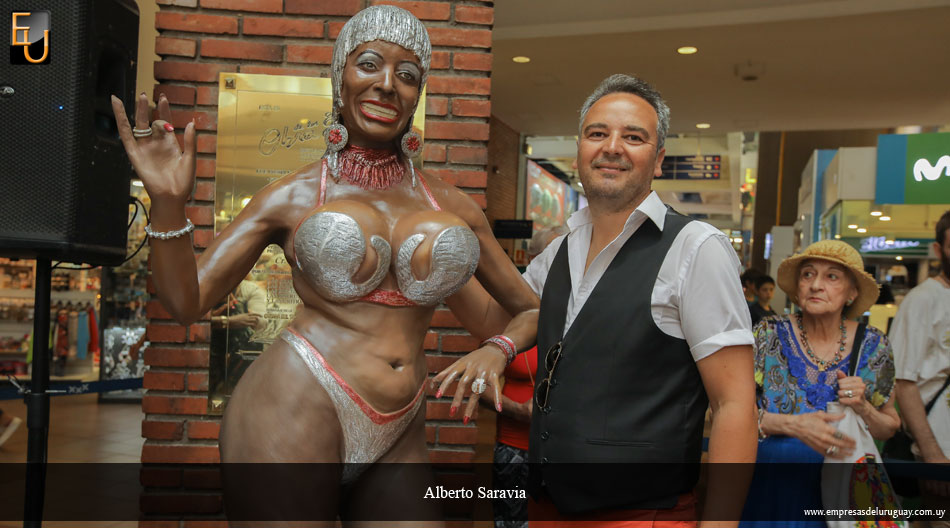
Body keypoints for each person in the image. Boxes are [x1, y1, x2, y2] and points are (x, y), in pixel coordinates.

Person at [111, 5, 539, 524]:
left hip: (400, 426)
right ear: (340, 78)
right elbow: (187, 302)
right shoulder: (292, 196)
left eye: (407, 75)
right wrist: (167, 203)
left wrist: (496, 350)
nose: (387, 85)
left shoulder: (451, 206)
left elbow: (526, 312)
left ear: (417, 95)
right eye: (369, 64)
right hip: (295, 402)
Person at [511, 74, 758, 526]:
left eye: (633, 137)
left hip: (644, 515)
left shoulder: (696, 247)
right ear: (579, 150)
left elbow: (734, 405)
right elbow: (500, 317)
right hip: (547, 508)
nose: (612, 147)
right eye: (597, 133)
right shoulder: (561, 248)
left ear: (658, 159)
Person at [742, 240, 900, 526]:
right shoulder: (767, 334)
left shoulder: (873, 345)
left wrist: (863, 407)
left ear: (852, 292)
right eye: (808, 274)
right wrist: (792, 425)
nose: (816, 285)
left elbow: (889, 426)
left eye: (832, 277)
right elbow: (727, 413)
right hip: (770, 494)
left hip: (843, 499)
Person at [488, 225, 568, 528]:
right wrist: (517, 410)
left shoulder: (573, 315)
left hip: (562, 452)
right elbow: (480, 383)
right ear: (534, 260)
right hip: (514, 446)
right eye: (553, 255)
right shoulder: (509, 315)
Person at [892, 210, 950, 524]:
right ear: (939, 250)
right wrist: (931, 455)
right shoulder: (923, 300)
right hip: (941, 450)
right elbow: (903, 382)